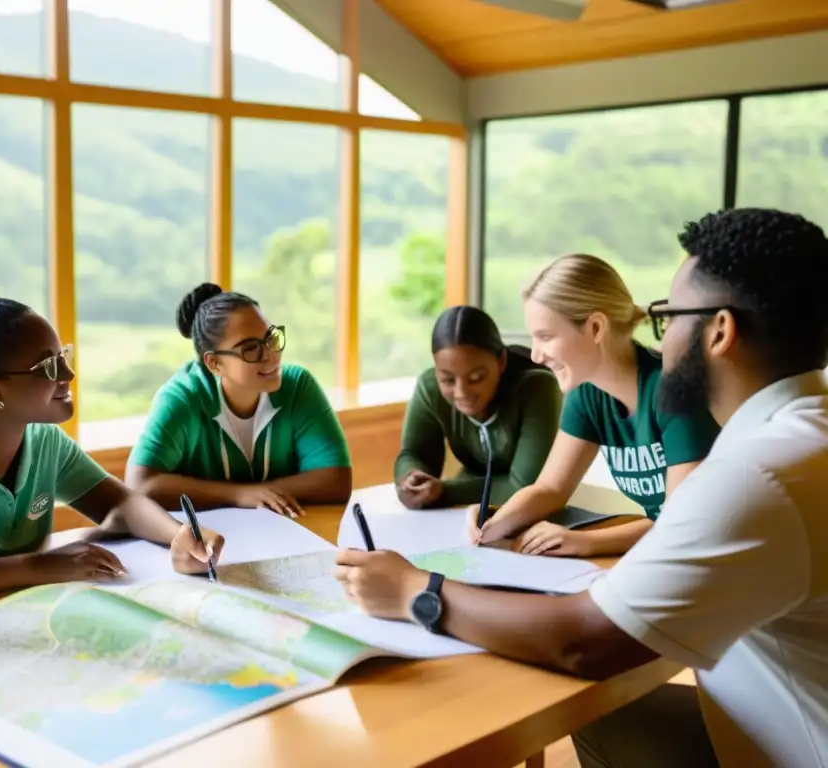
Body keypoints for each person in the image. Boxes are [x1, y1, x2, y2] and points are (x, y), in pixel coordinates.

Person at [335, 207, 828, 768]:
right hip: (773, 723)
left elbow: (584, 641)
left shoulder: (756, 474)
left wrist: (415, 591)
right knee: (603, 713)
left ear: (719, 331)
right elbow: (549, 489)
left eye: (668, 320)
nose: (660, 343)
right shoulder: (805, 436)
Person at [0, 299, 224, 613]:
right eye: (49, 367)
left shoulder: (46, 441)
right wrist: (40, 567)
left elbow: (122, 505)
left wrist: (180, 534)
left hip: (31, 616)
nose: (68, 374)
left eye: (62, 357)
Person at [467, 253, 720, 558]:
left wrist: (583, 542)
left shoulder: (673, 393)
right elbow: (550, 489)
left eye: (545, 337)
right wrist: (494, 524)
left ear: (596, 328)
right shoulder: (587, 395)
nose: (536, 355)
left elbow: (681, 523)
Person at [124, 283, 352, 517]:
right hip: (203, 546)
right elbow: (140, 486)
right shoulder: (182, 398)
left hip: (283, 535)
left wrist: (258, 493)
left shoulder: (297, 386)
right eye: (250, 349)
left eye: (271, 338)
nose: (270, 355)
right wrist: (240, 495)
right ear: (214, 363)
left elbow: (336, 479)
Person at [394, 305, 562, 509]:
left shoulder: (538, 388)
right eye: (447, 379)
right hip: (469, 501)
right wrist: (411, 478)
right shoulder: (430, 388)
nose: (462, 392)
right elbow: (413, 454)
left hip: (539, 507)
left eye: (476, 378)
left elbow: (525, 488)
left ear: (501, 361)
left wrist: (445, 490)